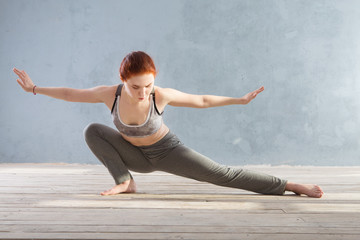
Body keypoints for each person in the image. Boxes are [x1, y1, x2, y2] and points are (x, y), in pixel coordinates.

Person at [13, 51, 324, 198]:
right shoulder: (110, 94)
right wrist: (35, 88)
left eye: (148, 85)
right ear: (124, 81)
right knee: (92, 130)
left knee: (222, 175)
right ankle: (126, 181)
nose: (143, 92)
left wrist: (239, 100)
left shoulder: (160, 95)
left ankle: (288, 185)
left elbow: (201, 100)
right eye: (136, 87)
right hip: (135, 156)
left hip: (167, 151)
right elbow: (70, 93)